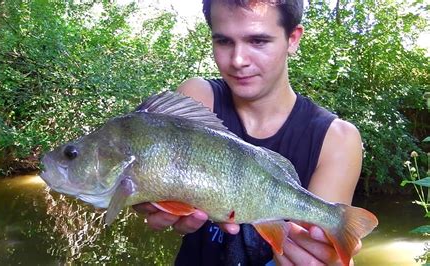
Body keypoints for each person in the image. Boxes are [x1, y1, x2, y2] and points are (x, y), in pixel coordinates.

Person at [134, 0, 363, 265]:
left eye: (258, 41)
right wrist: (142, 191)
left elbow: (318, 241)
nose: (238, 60)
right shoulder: (197, 98)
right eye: (224, 41)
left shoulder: (337, 140)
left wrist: (328, 256)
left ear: (292, 39)